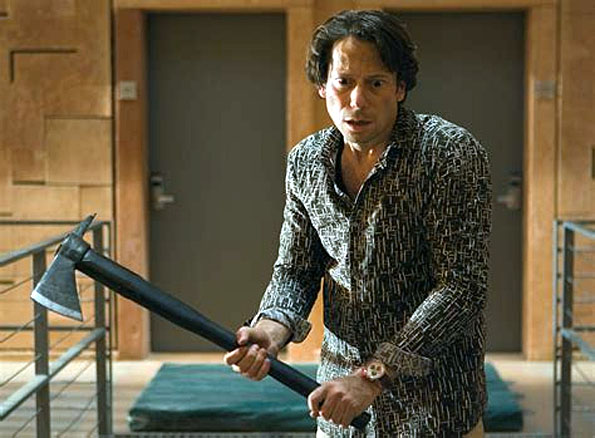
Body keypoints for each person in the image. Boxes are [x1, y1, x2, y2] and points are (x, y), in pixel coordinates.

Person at [224, 9, 491, 437]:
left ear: (400, 87)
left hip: (435, 410)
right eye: (344, 82)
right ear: (322, 86)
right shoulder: (306, 162)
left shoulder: (448, 153)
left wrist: (373, 376)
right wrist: (271, 329)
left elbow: (461, 288)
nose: (357, 100)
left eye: (376, 83)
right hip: (339, 407)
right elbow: (296, 269)